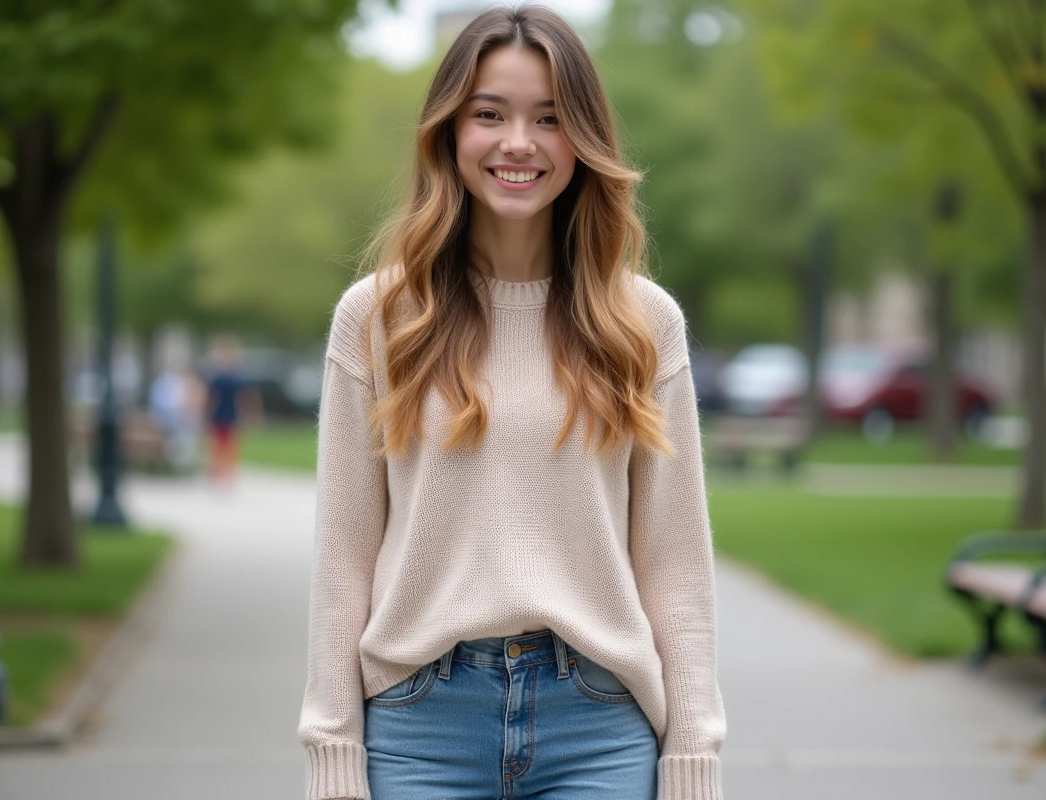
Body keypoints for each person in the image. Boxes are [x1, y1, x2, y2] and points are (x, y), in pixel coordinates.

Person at [298, 7, 726, 800]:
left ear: (584, 140)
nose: (518, 143)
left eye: (550, 118)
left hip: (597, 726)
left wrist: (692, 759)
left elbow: (674, 565)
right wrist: (333, 754)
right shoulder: (378, 317)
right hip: (421, 725)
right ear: (448, 133)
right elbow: (344, 559)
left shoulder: (643, 322)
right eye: (489, 114)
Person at [203, 335, 261, 486]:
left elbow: (244, 398)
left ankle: (227, 475)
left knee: (230, 447)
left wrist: (251, 414)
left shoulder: (235, 377)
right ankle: (218, 474)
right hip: (219, 415)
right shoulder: (218, 377)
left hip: (230, 415)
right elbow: (211, 398)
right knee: (217, 447)